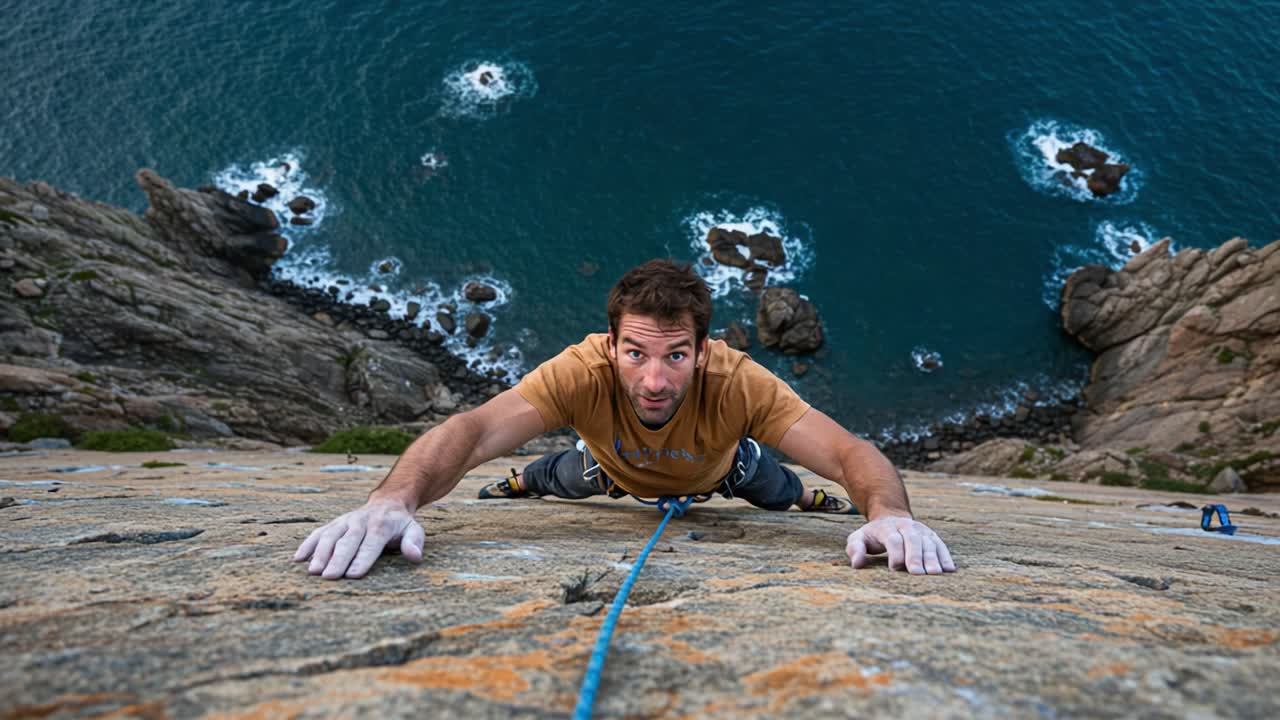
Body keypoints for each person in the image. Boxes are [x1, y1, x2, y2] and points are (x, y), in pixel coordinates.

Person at [294, 259, 956, 579]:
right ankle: (518, 484)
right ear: (610, 345)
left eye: (676, 355)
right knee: (550, 473)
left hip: (723, 473)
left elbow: (848, 452)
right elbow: (472, 431)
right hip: (609, 472)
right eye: (635, 353)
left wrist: (886, 512)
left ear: (703, 350)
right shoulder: (581, 372)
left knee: (785, 488)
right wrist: (393, 499)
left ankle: (819, 505)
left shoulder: (736, 383)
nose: (654, 378)